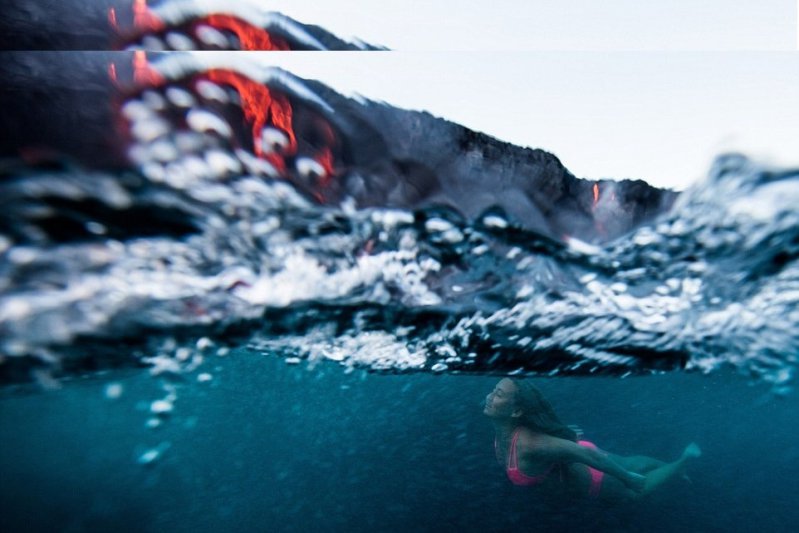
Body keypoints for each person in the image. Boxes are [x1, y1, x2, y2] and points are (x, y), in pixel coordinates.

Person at [484, 378, 701, 501]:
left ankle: (684, 459)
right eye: (494, 391)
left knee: (636, 491)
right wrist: (562, 435)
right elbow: (546, 440)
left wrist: (626, 478)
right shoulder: (506, 432)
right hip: (585, 460)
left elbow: (586, 454)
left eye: (498, 394)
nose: (489, 397)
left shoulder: (527, 443)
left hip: (595, 476)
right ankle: (675, 470)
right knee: (631, 462)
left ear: (516, 411)